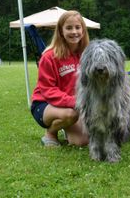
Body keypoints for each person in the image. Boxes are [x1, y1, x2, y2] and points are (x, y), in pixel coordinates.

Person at [30, 10, 89, 147]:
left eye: (77, 27)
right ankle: (50, 132)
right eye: (69, 28)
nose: (74, 32)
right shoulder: (49, 56)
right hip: (45, 104)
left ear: (83, 30)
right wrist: (76, 102)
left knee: (82, 142)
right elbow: (47, 90)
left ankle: (66, 127)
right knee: (70, 115)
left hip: (75, 104)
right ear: (61, 31)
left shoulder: (87, 55)